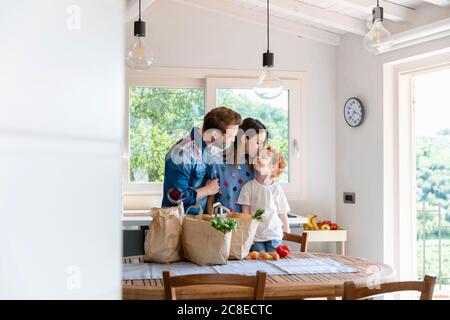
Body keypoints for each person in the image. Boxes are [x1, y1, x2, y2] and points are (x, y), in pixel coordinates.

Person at [161, 107, 242, 213]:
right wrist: (207, 190)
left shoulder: (210, 150)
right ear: (214, 135)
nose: (233, 140)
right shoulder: (183, 154)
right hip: (179, 223)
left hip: (198, 221)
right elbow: (175, 199)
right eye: (231, 136)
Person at [206, 118, 268, 214]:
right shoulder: (217, 162)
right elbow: (210, 201)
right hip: (223, 225)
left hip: (250, 226)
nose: (261, 148)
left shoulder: (256, 167)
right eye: (258, 143)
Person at [237, 145, 291, 252]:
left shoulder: (277, 188)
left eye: (264, 157)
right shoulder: (248, 187)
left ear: (273, 166)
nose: (258, 157)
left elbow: (282, 212)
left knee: (275, 262)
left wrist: (286, 229)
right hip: (256, 237)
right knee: (258, 262)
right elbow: (246, 215)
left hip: (275, 235)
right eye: (257, 155)